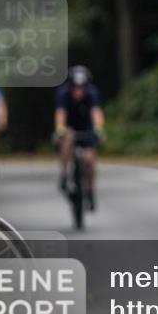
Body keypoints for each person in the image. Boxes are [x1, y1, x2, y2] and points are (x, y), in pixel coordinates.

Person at [54, 65, 105, 210]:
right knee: (67, 139)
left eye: (81, 88)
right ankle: (64, 174)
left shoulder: (92, 93)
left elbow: (96, 113)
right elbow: (60, 113)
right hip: (69, 127)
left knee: (89, 159)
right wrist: (59, 130)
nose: (79, 91)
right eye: (75, 88)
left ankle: (90, 190)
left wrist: (99, 129)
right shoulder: (63, 93)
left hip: (86, 127)